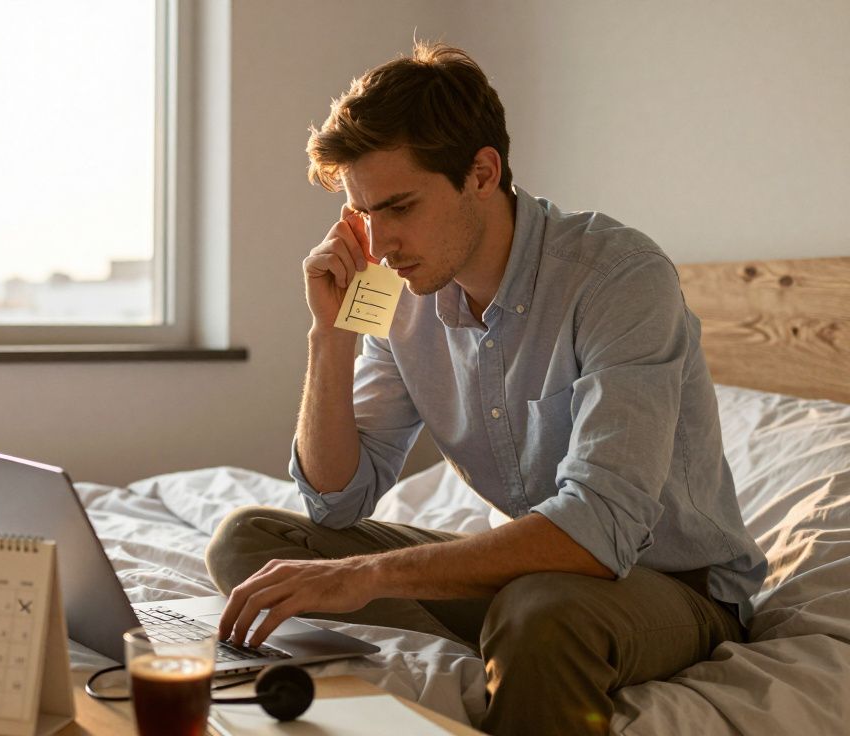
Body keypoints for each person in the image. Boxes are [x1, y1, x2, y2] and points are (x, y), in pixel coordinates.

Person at [205, 42, 768, 735]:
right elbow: (336, 501)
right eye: (364, 214)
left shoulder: (618, 277)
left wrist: (372, 578)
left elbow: (599, 530)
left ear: (481, 171)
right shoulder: (400, 292)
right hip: (525, 578)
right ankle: (481, 636)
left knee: (539, 612)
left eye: (400, 207)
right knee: (251, 541)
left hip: (672, 586)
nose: (379, 246)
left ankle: (503, 634)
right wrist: (331, 336)